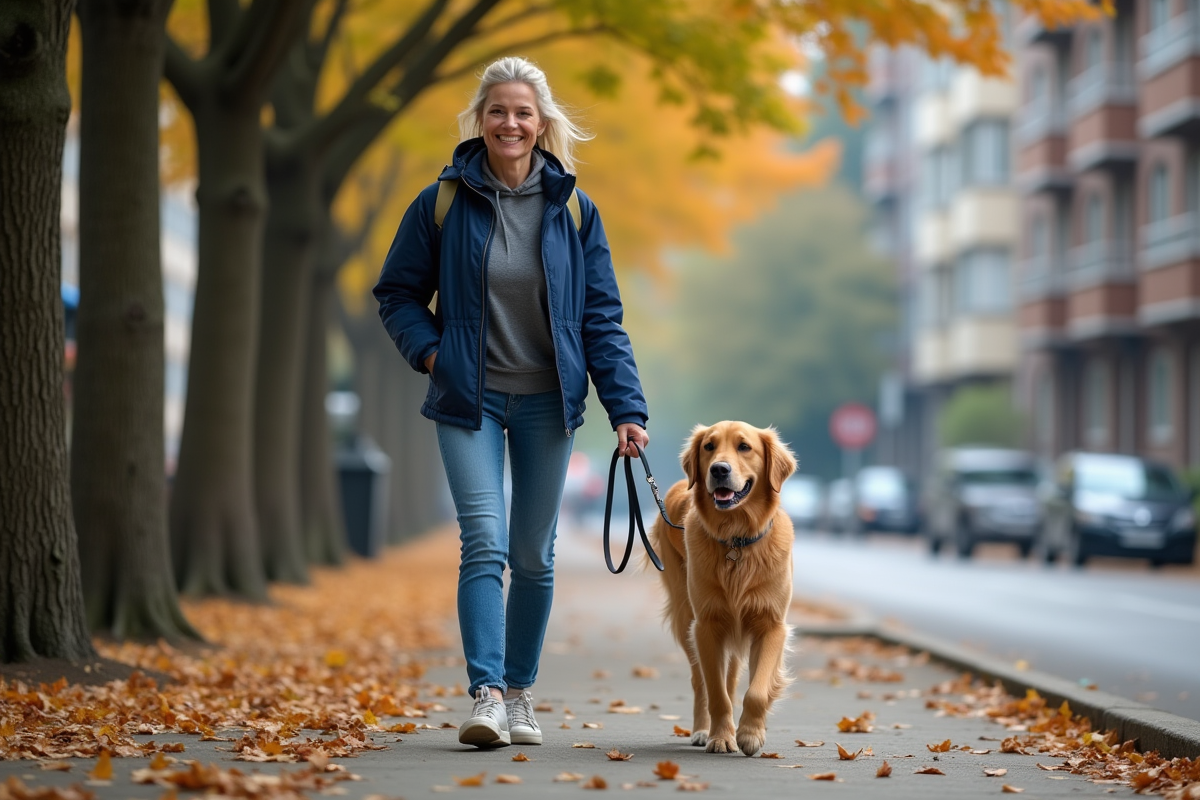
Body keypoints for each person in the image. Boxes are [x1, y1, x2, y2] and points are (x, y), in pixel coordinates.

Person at [373, 56, 649, 749]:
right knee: (485, 543)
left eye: (523, 111)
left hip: (547, 404)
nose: (510, 122)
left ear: (543, 122)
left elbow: (602, 318)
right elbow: (397, 293)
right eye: (498, 110)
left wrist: (627, 409)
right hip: (470, 399)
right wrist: (433, 353)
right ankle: (488, 695)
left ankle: (522, 693)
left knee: (534, 554)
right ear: (480, 118)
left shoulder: (576, 211)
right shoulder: (442, 201)